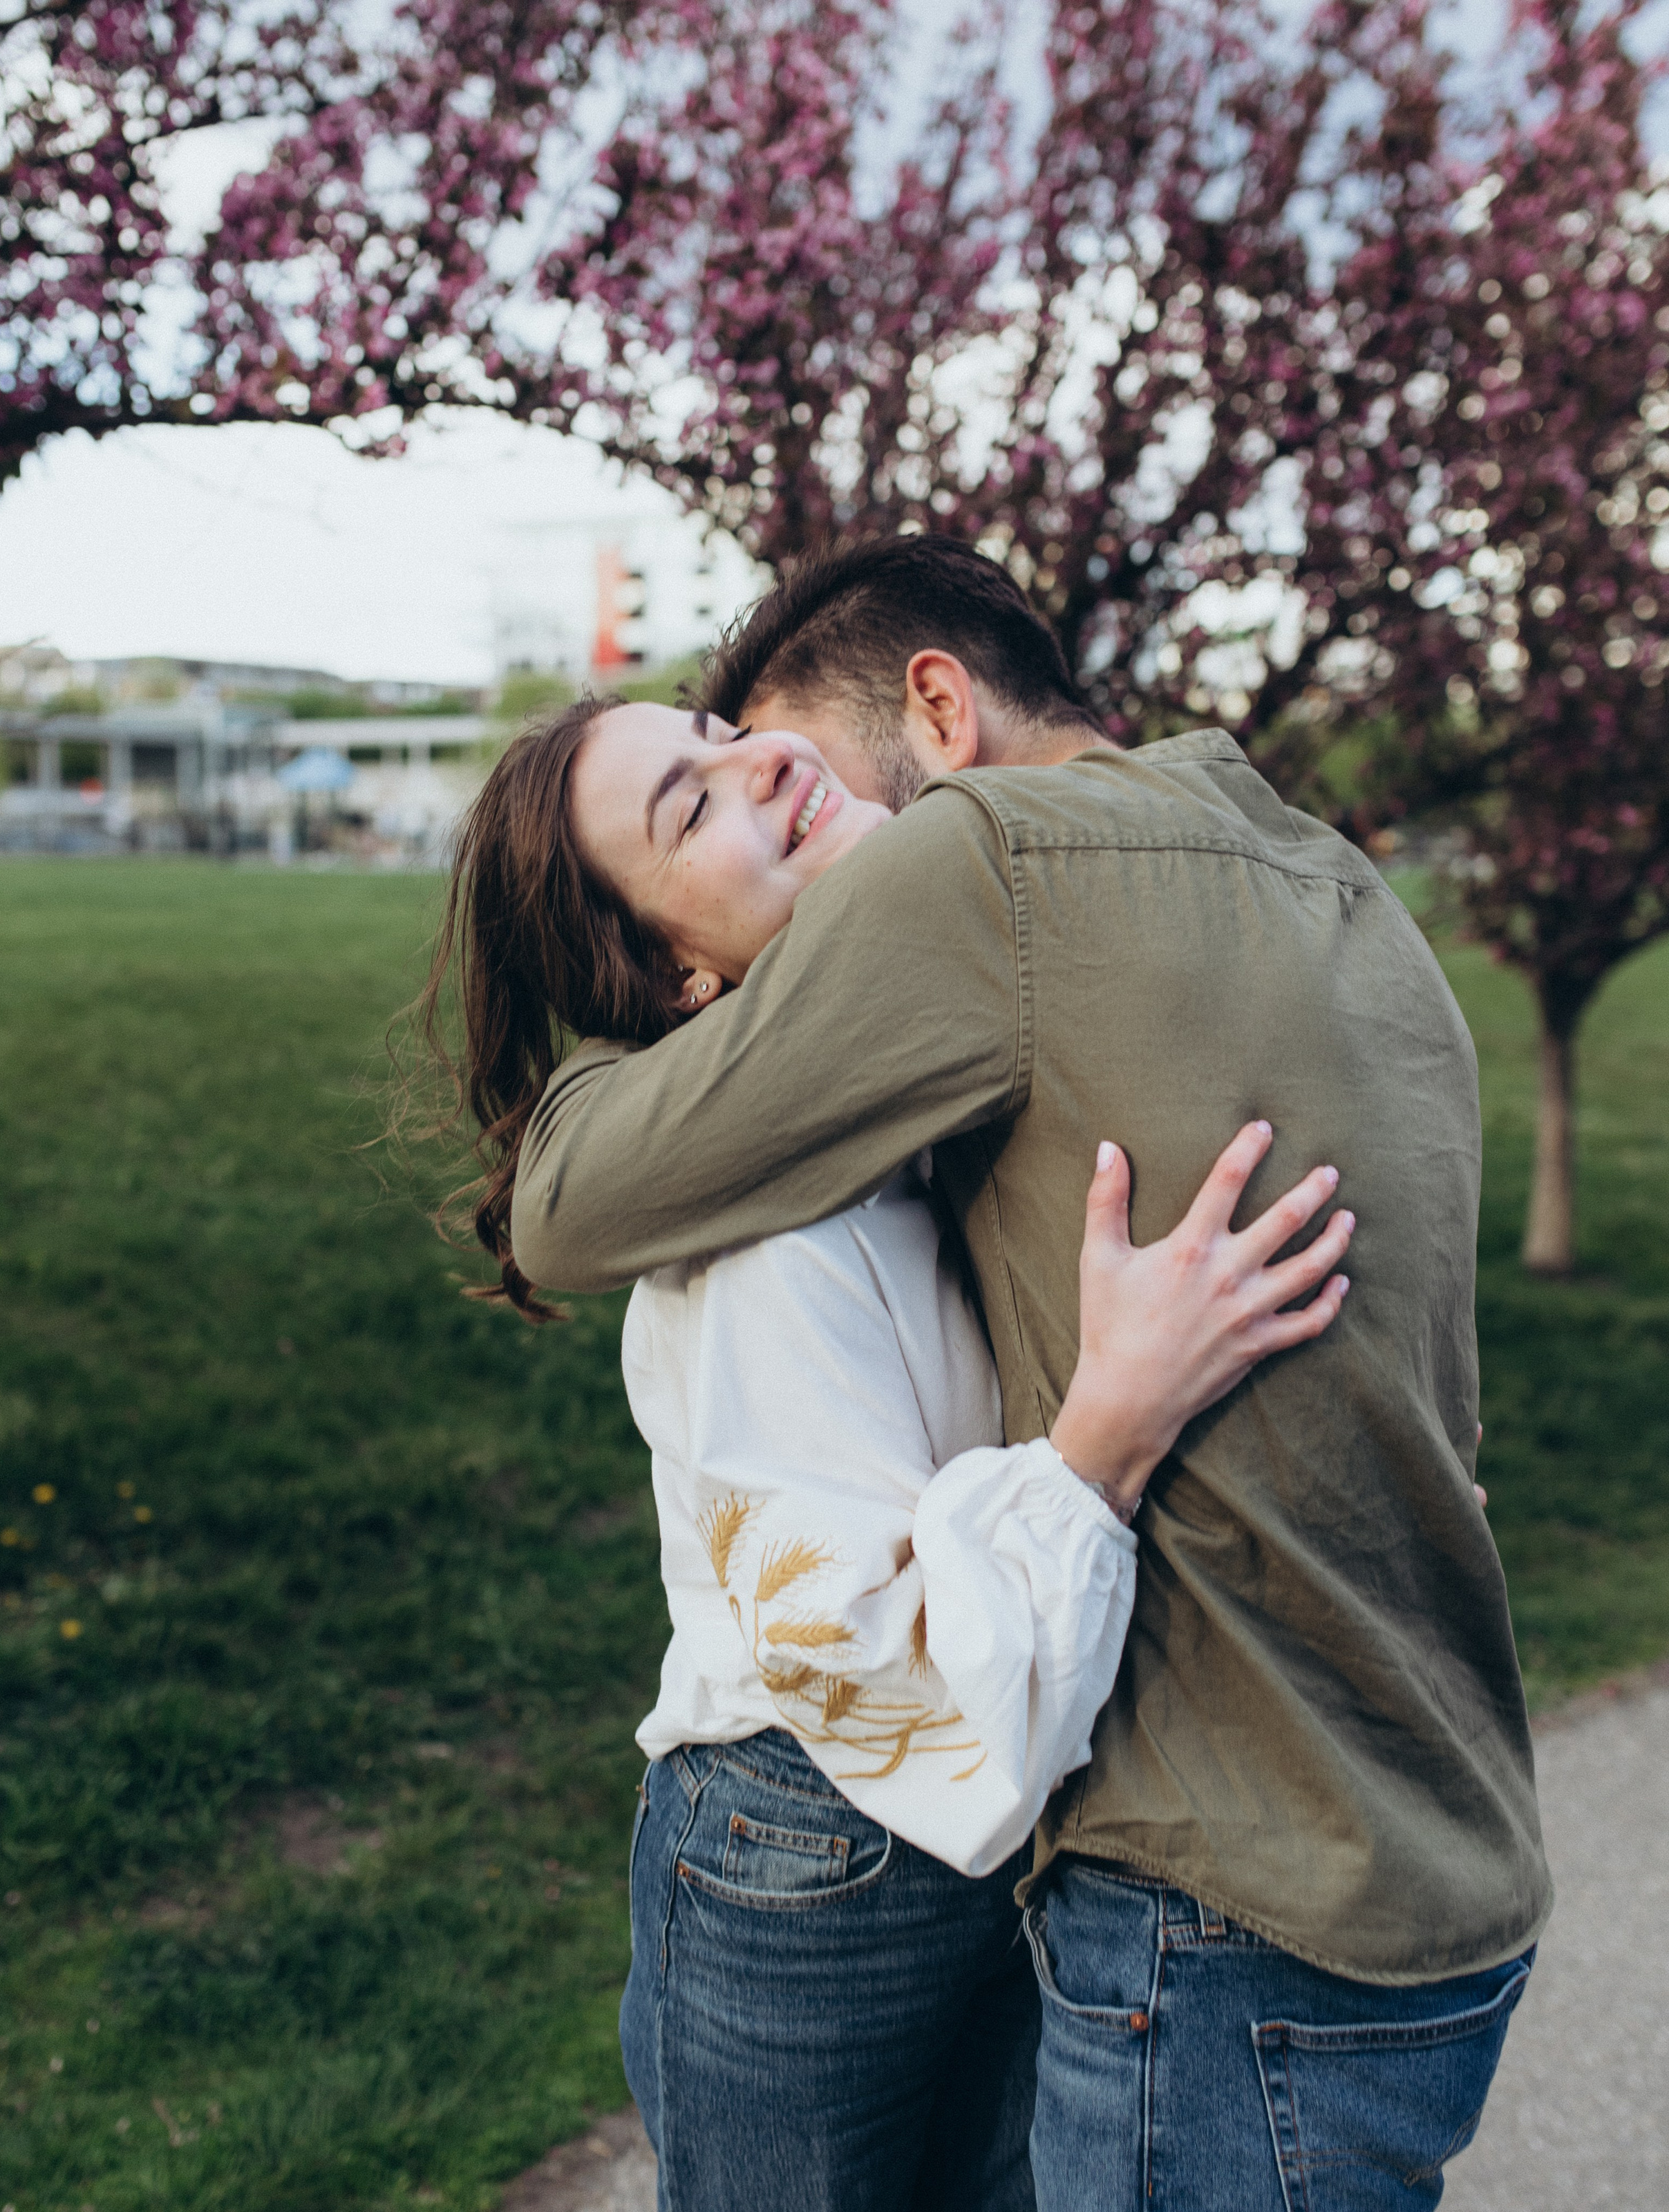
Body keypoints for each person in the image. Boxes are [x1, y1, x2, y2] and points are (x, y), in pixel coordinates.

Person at [509, 538, 1552, 2211]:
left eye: (760, 744)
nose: (766, 777)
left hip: (1210, 1873)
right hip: (1415, 1830)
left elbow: (560, 1206)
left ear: (937, 712)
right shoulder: (1327, 881)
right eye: (699, 789)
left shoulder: (976, 867)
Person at [419, 695, 1358, 2210]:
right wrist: (1109, 1429)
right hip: (810, 1844)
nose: (764, 757)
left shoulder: (885, 1100)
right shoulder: (761, 1245)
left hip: (971, 1812)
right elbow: (856, 1650)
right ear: (677, 971)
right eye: (690, 805)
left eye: (717, 727)